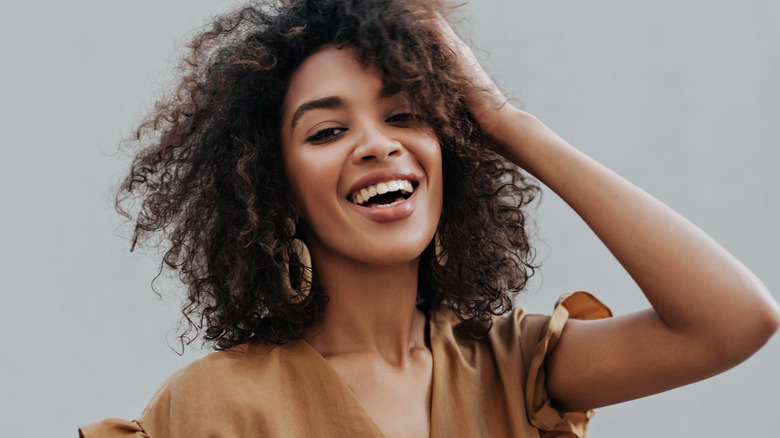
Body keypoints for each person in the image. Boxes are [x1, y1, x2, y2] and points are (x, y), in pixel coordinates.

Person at [80, 0, 780, 437]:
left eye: (406, 115)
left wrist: (508, 124)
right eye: (326, 132)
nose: (378, 144)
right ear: (275, 189)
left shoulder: (512, 369)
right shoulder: (214, 409)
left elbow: (733, 322)